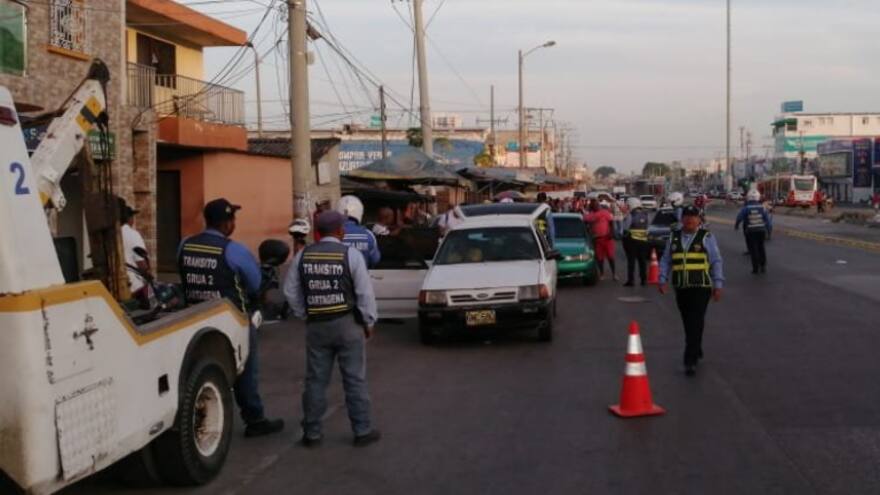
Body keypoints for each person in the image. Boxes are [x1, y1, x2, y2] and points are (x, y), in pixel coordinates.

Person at [178, 198, 284, 437]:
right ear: (227, 224)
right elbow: (255, 283)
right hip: (231, 318)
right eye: (233, 219)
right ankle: (254, 419)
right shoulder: (233, 250)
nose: (234, 223)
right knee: (246, 367)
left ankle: (197, 415)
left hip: (193, 317)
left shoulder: (185, 244)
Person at [283, 210, 381, 448]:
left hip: (317, 326)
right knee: (354, 379)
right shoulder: (351, 255)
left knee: (316, 380)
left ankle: (312, 434)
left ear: (317, 232)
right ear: (341, 231)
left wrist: (305, 313)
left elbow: (290, 292)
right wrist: (368, 321)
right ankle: (362, 431)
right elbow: (364, 293)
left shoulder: (302, 256)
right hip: (348, 324)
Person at [658, 206, 724, 377]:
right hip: (681, 288)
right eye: (687, 216)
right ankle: (697, 347)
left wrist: (718, 285)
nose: (690, 220)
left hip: (701, 287)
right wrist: (662, 279)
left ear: (699, 220)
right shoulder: (673, 238)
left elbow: (716, 261)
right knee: (690, 322)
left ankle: (690, 360)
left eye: (693, 217)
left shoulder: (706, 237)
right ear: (682, 219)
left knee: (694, 321)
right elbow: (666, 260)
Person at [336, 195, 381, 267]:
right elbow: (375, 260)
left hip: (339, 277)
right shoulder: (369, 235)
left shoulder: (332, 234)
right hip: (361, 277)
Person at [735, 190, 772, 274]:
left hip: (751, 231)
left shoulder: (746, 208)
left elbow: (739, 217)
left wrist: (736, 225)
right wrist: (768, 230)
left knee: (753, 250)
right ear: (758, 197)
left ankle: (755, 268)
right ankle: (763, 266)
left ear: (748, 198)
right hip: (761, 231)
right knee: (761, 248)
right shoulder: (762, 208)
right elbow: (768, 221)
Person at [119, 199, 149, 303]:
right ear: (129, 218)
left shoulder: (109, 236)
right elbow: (142, 265)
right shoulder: (133, 234)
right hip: (134, 286)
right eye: (132, 217)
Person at [620, 197, 650, 286]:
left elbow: (625, 228)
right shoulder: (646, 214)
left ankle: (631, 280)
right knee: (642, 261)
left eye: (628, 205)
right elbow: (648, 228)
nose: (627, 207)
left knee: (631, 261)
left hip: (632, 241)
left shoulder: (630, 215)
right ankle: (643, 280)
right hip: (643, 241)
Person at [584, 200, 617, 280]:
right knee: (600, 258)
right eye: (595, 205)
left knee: (611, 257)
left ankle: (614, 274)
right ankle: (602, 273)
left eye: (597, 204)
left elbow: (611, 223)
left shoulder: (605, 212)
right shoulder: (590, 215)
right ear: (592, 207)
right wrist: (589, 230)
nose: (597, 206)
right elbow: (585, 222)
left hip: (607, 238)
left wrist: (611, 233)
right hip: (597, 239)